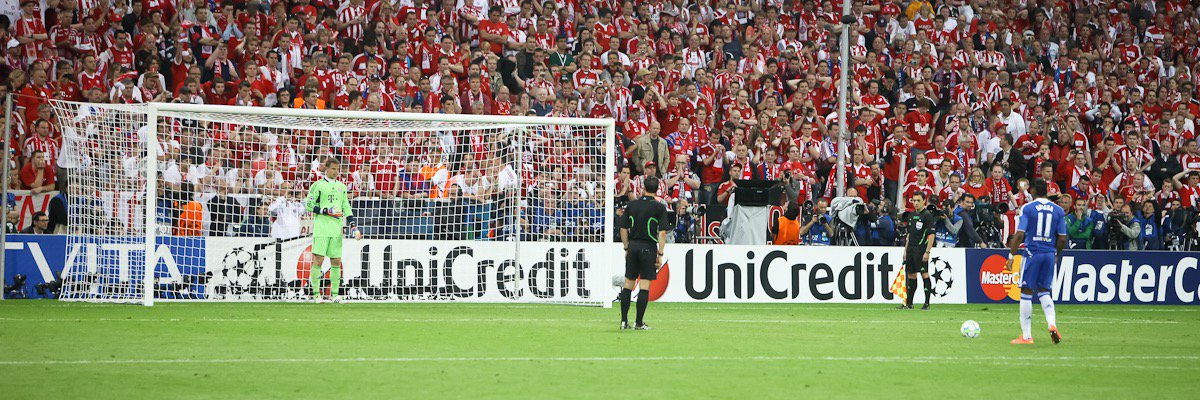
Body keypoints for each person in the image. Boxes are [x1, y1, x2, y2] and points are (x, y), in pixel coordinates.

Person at [1006, 179, 1066, 345]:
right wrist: (1056, 255)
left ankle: (1026, 336)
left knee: (1026, 292)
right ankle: (1052, 324)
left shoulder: (1028, 208)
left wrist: (1011, 256)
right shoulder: (1058, 210)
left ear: (1032, 190)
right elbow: (1062, 239)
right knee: (1044, 291)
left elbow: (1019, 234)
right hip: (1049, 253)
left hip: (1032, 253)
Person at [305, 158, 362, 303]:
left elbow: (346, 207)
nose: (336, 172)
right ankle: (316, 294)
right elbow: (309, 205)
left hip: (336, 229)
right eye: (333, 169)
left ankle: (335, 295)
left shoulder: (341, 187)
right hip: (322, 229)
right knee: (319, 260)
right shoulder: (318, 185)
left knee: (336, 261)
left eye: (338, 169)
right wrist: (325, 210)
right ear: (326, 169)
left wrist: (353, 226)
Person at [618, 176, 669, 330]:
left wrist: (627, 248)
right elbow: (662, 233)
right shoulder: (659, 207)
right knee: (644, 286)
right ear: (658, 189)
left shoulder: (632, 205)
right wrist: (660, 254)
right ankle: (639, 323)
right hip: (648, 247)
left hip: (633, 246)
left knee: (628, 285)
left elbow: (623, 228)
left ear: (643, 188)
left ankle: (623, 321)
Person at [900, 191, 935, 310]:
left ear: (924, 201)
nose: (915, 203)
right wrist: (905, 251)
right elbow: (909, 235)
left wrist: (927, 251)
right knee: (911, 274)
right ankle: (909, 303)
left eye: (918, 200)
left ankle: (927, 303)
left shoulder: (927, 215)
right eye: (914, 200)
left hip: (921, 249)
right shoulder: (911, 215)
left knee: (924, 273)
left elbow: (931, 235)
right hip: (911, 249)